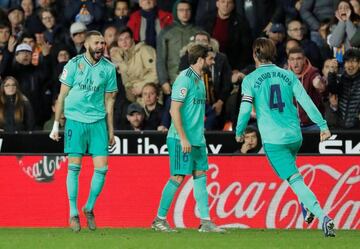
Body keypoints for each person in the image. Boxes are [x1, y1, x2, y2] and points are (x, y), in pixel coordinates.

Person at [235, 37, 335, 237]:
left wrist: (239, 132)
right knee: (293, 171)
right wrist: (323, 125)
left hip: (274, 140)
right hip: (295, 136)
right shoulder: (288, 75)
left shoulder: (250, 79)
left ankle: (324, 217)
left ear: (255, 54)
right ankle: (305, 207)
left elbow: (245, 109)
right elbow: (306, 101)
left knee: (295, 179)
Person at [49, 30, 118, 232]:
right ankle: (73, 212)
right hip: (75, 121)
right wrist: (56, 124)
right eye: (97, 42)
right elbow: (62, 96)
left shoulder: (109, 69)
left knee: (102, 168)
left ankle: (89, 207)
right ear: (87, 43)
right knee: (74, 167)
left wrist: (111, 130)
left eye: (103, 43)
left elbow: (110, 101)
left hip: (97, 122)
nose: (100, 46)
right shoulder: (73, 64)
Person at [152, 44, 224, 233]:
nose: (213, 61)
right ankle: (159, 219)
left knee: (200, 176)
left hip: (197, 139)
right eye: (210, 58)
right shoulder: (184, 79)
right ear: (200, 60)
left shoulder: (201, 80)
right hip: (180, 138)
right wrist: (184, 138)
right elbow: (174, 109)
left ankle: (206, 221)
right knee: (177, 176)